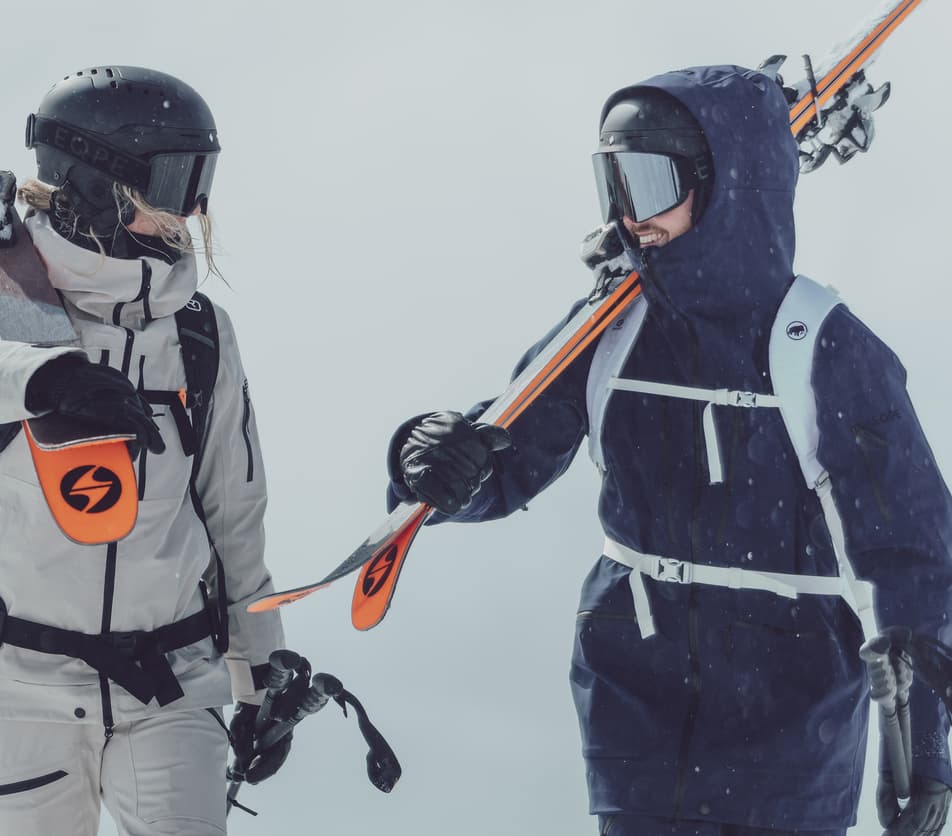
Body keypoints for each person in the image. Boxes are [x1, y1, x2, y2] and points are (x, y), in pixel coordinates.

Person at [386, 65, 952, 835]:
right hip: (635, 716)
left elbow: (912, 553)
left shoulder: (823, 347)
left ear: (729, 186)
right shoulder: (610, 329)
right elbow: (508, 456)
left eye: (650, 183)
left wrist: (922, 747)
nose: (630, 216)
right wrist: (434, 465)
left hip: (789, 736)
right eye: (612, 184)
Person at [0, 66, 289, 835]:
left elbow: (232, 505)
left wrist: (261, 671)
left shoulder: (197, 332)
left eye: (199, 179)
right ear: (96, 184)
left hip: (170, 683)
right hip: (15, 690)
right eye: (175, 180)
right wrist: (45, 379)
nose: (193, 208)